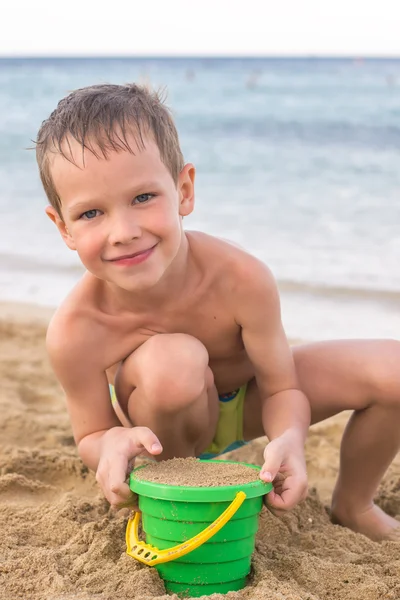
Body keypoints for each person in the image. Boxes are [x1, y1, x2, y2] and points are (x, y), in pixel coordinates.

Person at [36, 83, 400, 542]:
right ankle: (180, 489)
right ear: (62, 227)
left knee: (394, 369)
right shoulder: (76, 329)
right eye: (91, 213)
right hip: (160, 431)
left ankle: (355, 504)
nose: (123, 231)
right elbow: (91, 434)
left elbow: (282, 386)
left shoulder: (240, 278)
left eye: (143, 198)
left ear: (184, 190)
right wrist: (110, 443)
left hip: (246, 404)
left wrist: (289, 437)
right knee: (175, 360)